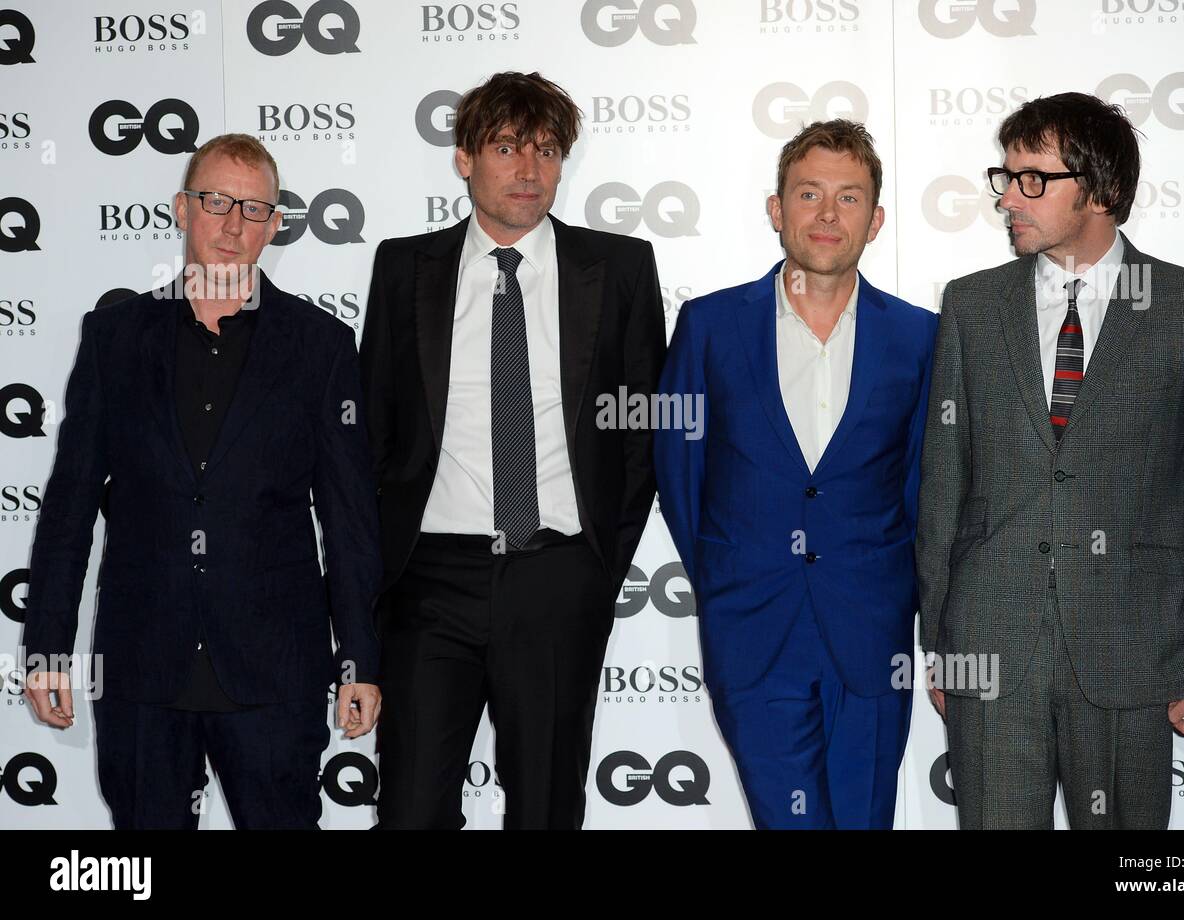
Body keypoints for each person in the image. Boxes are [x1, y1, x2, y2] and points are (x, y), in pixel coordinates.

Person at [916, 92, 1184, 829]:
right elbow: (944, 485)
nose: (1010, 197)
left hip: (1134, 650)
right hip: (991, 647)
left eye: (1033, 179)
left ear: (1102, 190)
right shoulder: (972, 307)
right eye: (1005, 177)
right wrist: (941, 639)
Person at [22, 133, 382, 829]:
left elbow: (348, 519)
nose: (233, 224)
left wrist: (359, 658)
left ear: (277, 224)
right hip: (142, 669)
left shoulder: (321, 346)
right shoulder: (114, 339)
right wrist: (46, 647)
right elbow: (68, 510)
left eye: (253, 208)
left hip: (274, 670)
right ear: (182, 209)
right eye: (216, 202)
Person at [361, 71, 666, 829]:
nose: (529, 170)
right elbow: (375, 432)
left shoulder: (619, 269)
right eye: (506, 147)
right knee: (408, 811)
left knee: (545, 808)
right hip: (429, 581)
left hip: (557, 575)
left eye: (547, 150)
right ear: (465, 158)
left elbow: (643, 433)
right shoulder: (404, 270)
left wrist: (595, 566)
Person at [655, 119, 937, 829]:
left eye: (848, 198)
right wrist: (728, 574)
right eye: (808, 193)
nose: (826, 214)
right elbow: (680, 472)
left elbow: (922, 487)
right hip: (753, 625)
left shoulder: (918, 336)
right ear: (777, 209)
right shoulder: (710, 326)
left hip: (869, 631)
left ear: (875, 221)